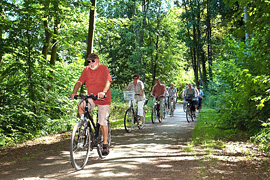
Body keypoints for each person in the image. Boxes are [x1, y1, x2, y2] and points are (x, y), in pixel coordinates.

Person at [70, 53, 113, 156]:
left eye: (93, 61)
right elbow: (79, 82)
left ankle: (105, 144)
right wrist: (74, 92)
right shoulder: (86, 70)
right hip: (92, 97)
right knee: (81, 105)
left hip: (103, 99)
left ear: (97, 60)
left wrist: (103, 92)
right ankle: (84, 128)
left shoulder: (103, 68)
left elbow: (108, 81)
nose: (91, 63)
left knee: (102, 121)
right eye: (89, 61)